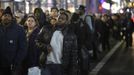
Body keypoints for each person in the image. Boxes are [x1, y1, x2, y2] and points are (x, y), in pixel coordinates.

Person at [0, 6, 27, 75]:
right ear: (1, 17)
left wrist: (16, 62)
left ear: (11, 18)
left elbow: (23, 48)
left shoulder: (19, 30)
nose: (6, 17)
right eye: (5, 15)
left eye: (9, 16)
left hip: (14, 67)